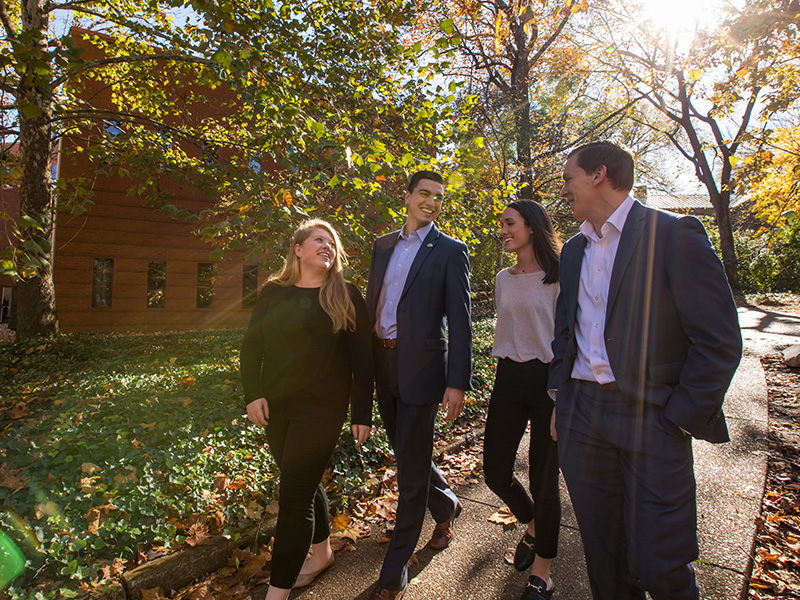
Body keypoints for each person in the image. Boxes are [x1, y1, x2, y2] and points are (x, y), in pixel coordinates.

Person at [549, 141, 742, 600]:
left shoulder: (674, 234)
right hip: (583, 420)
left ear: (598, 174)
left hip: (651, 419)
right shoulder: (574, 250)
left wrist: (677, 417)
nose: (563, 191)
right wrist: (561, 399)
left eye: (567, 179)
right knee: (605, 562)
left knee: (661, 565)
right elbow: (564, 334)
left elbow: (718, 339)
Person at [240, 219, 374, 600]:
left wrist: (360, 412)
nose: (328, 246)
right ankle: (323, 553)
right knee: (301, 481)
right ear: (297, 249)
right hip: (278, 405)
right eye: (319, 239)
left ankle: (276, 594)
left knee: (294, 497)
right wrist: (254, 393)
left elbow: (363, 361)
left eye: (332, 243)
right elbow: (252, 346)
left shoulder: (346, 295)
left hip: (323, 409)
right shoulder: (273, 293)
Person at [365, 170, 472, 600]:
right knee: (409, 454)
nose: (431, 202)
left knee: (409, 475)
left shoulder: (449, 251)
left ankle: (393, 574)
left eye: (438, 198)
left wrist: (457, 382)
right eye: (424, 194)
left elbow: (461, 321)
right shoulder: (383, 245)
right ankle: (446, 505)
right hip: (382, 363)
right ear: (407, 196)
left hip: (424, 370)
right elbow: (375, 304)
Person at [484, 200, 561, 600]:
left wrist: (563, 395)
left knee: (544, 481)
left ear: (532, 227)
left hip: (549, 383)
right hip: (509, 380)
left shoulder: (560, 276)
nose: (504, 229)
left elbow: (570, 338)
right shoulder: (503, 278)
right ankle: (532, 522)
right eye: (502, 224)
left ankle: (542, 574)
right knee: (494, 473)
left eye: (510, 223)